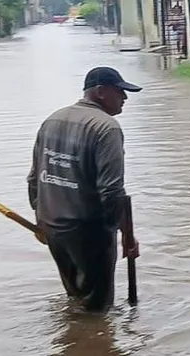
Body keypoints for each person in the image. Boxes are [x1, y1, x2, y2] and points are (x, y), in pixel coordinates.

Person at [27, 66, 142, 313]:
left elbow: (34, 179)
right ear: (100, 92)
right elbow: (111, 191)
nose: (125, 98)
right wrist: (124, 234)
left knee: (76, 297)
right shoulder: (107, 128)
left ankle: (75, 340)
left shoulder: (53, 119)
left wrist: (41, 219)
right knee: (97, 310)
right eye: (120, 91)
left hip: (54, 226)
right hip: (88, 232)